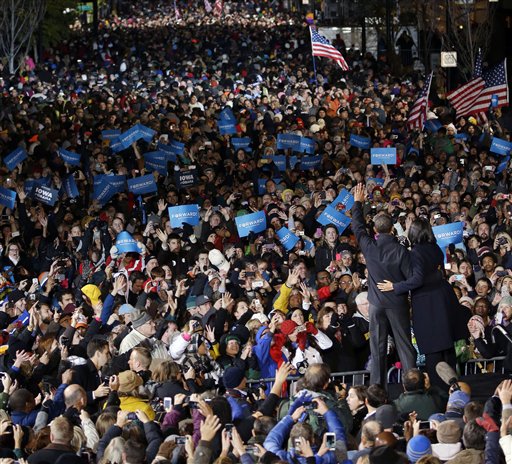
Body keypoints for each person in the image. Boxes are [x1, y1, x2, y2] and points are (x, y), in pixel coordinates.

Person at [377, 218, 470, 386]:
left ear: (413, 232)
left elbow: (417, 279)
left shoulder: (416, 252)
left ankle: (439, 391)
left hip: (428, 304)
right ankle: (453, 386)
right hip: (443, 298)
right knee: (447, 346)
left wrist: (395, 286)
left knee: (433, 349)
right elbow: (435, 273)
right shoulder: (434, 248)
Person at [352, 183, 416, 385]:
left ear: (376, 230)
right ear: (391, 228)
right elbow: (412, 279)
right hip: (397, 304)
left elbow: (357, 227)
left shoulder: (369, 247)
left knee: (377, 349)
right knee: (404, 347)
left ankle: (377, 389)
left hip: (376, 305)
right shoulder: (401, 251)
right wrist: (396, 286)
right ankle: (412, 387)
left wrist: (357, 203)